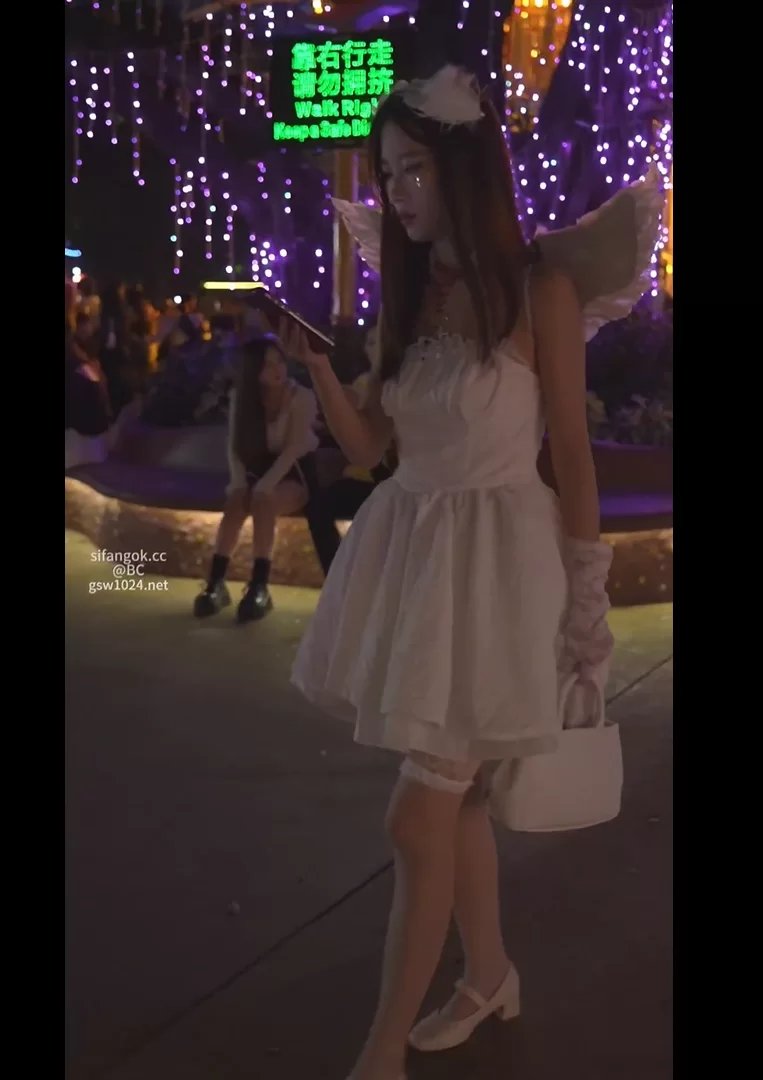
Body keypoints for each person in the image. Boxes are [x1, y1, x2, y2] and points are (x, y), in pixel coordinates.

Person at [287, 66, 662, 1080]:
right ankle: (488, 974)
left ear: (463, 168)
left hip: (501, 575)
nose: (397, 190)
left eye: (412, 168)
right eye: (387, 172)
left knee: (418, 815)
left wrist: (586, 596)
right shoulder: (413, 296)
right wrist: (320, 370)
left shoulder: (539, 288)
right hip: (418, 570)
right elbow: (370, 450)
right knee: (449, 809)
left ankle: (380, 1052)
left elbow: (571, 453)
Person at [194, 333, 319, 624]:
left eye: (279, 361)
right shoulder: (242, 397)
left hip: (296, 469)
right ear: (253, 372)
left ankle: (259, 586)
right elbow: (235, 446)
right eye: (267, 365)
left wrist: (263, 486)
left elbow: (294, 449)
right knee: (236, 501)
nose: (277, 369)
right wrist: (239, 483)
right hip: (258, 467)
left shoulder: (301, 397)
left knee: (264, 500)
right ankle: (216, 582)